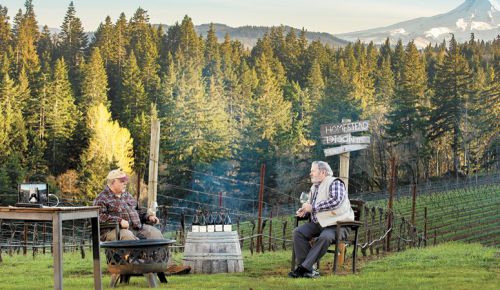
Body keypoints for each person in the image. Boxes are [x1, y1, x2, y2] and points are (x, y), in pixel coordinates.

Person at [289, 161, 354, 278]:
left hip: (338, 224)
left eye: (313, 171)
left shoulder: (335, 182)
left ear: (322, 172)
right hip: (320, 224)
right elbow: (310, 206)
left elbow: (336, 201)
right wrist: (304, 211)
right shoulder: (314, 187)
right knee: (298, 232)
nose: (310, 173)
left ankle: (303, 268)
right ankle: (308, 270)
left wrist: (313, 207)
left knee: (325, 237)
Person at [93, 169, 163, 241]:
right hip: (113, 231)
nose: (125, 183)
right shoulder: (102, 198)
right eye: (122, 181)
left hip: (136, 229)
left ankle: (152, 252)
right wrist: (119, 221)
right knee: (128, 237)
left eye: (125, 181)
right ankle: (133, 252)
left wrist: (148, 217)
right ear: (112, 182)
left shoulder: (127, 195)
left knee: (155, 234)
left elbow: (138, 212)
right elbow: (99, 217)